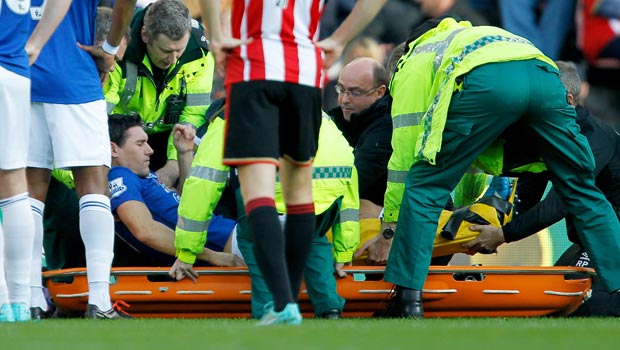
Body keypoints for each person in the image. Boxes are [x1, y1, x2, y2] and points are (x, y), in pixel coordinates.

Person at [379, 17, 620, 318]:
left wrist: (390, 227)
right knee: (583, 190)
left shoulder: (416, 59)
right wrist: (469, 207)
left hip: (489, 80)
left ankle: (407, 301)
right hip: (544, 73)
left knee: (424, 186)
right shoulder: (472, 36)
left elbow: (406, 155)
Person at [195, 0, 386, 325]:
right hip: (303, 76)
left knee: (258, 195)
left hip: (251, 71)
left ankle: (282, 303)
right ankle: (290, 305)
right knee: (299, 196)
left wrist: (215, 35)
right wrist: (339, 39)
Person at [168, 103, 360, 319]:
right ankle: (329, 308)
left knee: (255, 241)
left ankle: (270, 309)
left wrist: (186, 252)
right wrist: (345, 249)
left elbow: (203, 186)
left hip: (274, 187)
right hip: (328, 189)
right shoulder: (313, 110)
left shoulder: (230, 117)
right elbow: (350, 181)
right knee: (314, 240)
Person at [463, 61, 620, 316]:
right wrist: (491, 227)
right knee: (552, 306)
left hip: (610, 241)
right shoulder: (550, 135)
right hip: (589, 243)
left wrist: (504, 235)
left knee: (582, 310)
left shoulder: (593, 140)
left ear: (568, 100)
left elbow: (558, 204)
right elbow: (530, 190)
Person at [27, 0, 137, 320]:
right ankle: (100, 300)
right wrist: (111, 46)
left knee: (29, 189)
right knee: (92, 183)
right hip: (72, 69)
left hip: (21, 71)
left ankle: (30, 299)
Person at [0, 0, 72, 323]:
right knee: (14, 184)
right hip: (15, 69)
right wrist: (36, 43)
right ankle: (17, 303)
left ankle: (4, 301)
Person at [107, 114, 243, 268]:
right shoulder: (119, 176)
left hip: (232, 235)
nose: (150, 150)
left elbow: (187, 204)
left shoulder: (143, 176)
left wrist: (184, 153)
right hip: (229, 244)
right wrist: (214, 256)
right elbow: (146, 231)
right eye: (140, 144)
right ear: (113, 149)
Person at [105, 0, 215, 188]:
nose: (173, 60)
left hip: (172, 139)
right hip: (120, 137)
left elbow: (194, 113)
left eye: (179, 51)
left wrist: (173, 167)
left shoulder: (199, 53)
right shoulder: (118, 46)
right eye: (166, 51)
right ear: (145, 35)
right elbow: (101, 114)